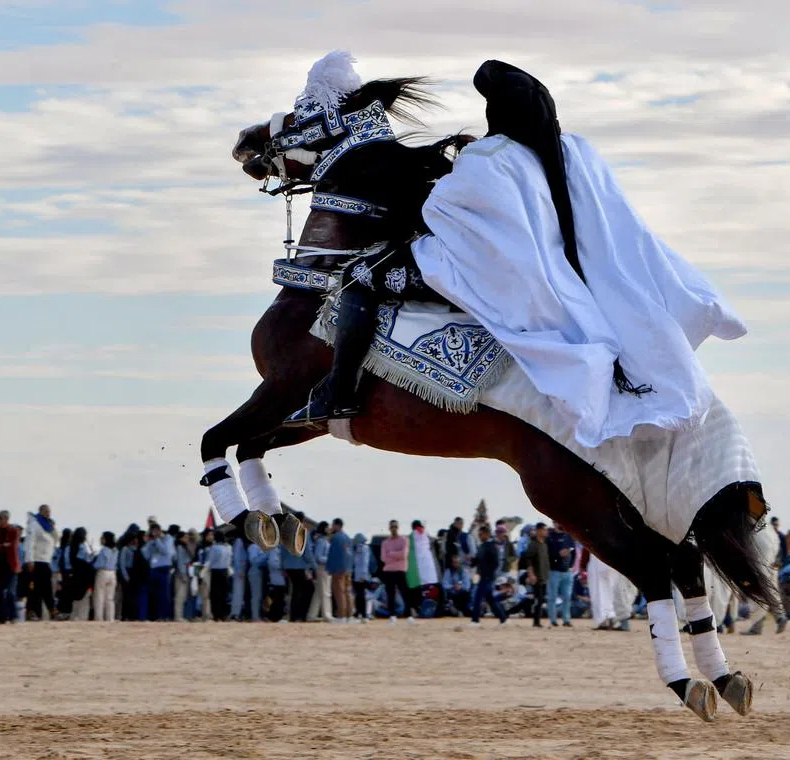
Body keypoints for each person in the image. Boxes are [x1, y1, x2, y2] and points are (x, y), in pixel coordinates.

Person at [284, 57, 747, 449]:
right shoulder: (571, 150)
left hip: (487, 269)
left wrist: (445, 174)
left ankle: (338, 393)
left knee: (360, 277)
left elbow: (443, 210)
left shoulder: (492, 158)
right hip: (553, 268)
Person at [24, 505, 59, 622]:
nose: (48, 513)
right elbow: (30, 542)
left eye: (49, 511)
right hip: (36, 560)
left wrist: (53, 527)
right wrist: (29, 559)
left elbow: (56, 539)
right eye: (45, 511)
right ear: (40, 512)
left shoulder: (49, 525)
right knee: (35, 589)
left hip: (46, 560)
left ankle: (52, 610)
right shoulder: (35, 524)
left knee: (46, 588)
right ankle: (33, 612)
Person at [470, 524, 508, 626]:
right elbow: (477, 560)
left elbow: (495, 562)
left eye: (481, 533)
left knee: (478, 597)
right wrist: (472, 561)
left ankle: (475, 620)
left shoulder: (491, 546)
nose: (479, 535)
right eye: (479, 533)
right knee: (490, 599)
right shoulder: (481, 546)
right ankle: (503, 618)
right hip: (482, 576)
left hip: (487, 577)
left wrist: (489, 573)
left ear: (487, 534)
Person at [0, 512, 21, 624]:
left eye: (3, 519)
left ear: (7, 519)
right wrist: (2, 546)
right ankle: (2, 617)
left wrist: (0, 546)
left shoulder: (13, 530)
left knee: (10, 593)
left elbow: (12, 546)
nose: (1, 521)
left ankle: (14, 616)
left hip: (10, 565)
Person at [379, 520, 412, 623]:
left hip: (400, 570)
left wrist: (391, 553)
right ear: (389, 528)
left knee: (405, 593)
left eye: (395, 527)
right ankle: (392, 616)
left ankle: (409, 615)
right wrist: (396, 555)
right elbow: (383, 558)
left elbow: (404, 555)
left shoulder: (404, 540)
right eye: (392, 527)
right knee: (390, 594)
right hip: (389, 571)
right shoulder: (385, 542)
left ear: (398, 527)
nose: (394, 529)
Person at [545, 522, 576, 627]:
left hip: (567, 572)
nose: (559, 524)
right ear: (553, 523)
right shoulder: (549, 537)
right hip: (554, 571)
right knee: (552, 597)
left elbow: (574, 552)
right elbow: (546, 554)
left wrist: (571, 565)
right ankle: (553, 620)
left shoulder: (568, 536)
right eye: (556, 521)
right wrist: (558, 555)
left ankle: (566, 619)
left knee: (567, 597)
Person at [141, 523, 174, 621]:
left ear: (160, 530)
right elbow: (146, 555)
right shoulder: (152, 541)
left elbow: (166, 551)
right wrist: (147, 543)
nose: (154, 533)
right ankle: (155, 616)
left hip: (164, 568)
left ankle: (165, 616)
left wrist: (157, 540)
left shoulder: (167, 538)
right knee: (154, 594)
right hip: (153, 569)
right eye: (152, 531)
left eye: (156, 530)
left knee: (164, 594)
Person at [521, 523, 551, 628]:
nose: (546, 532)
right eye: (544, 530)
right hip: (536, 576)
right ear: (539, 531)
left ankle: (537, 620)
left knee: (541, 599)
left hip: (544, 576)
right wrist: (531, 574)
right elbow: (528, 560)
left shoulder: (544, 544)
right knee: (538, 599)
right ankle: (536, 621)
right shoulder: (533, 544)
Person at [326, 518, 353, 622]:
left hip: (338, 569)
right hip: (348, 569)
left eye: (333, 525)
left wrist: (330, 568)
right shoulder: (347, 538)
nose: (332, 527)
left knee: (339, 592)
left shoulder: (336, 538)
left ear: (337, 525)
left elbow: (334, 555)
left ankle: (341, 616)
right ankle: (349, 616)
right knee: (347, 592)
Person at [92, 531, 118, 622]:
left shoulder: (103, 550)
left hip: (103, 572)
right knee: (110, 598)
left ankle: (99, 618)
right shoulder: (115, 550)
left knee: (99, 596)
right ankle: (110, 618)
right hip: (112, 573)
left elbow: (98, 564)